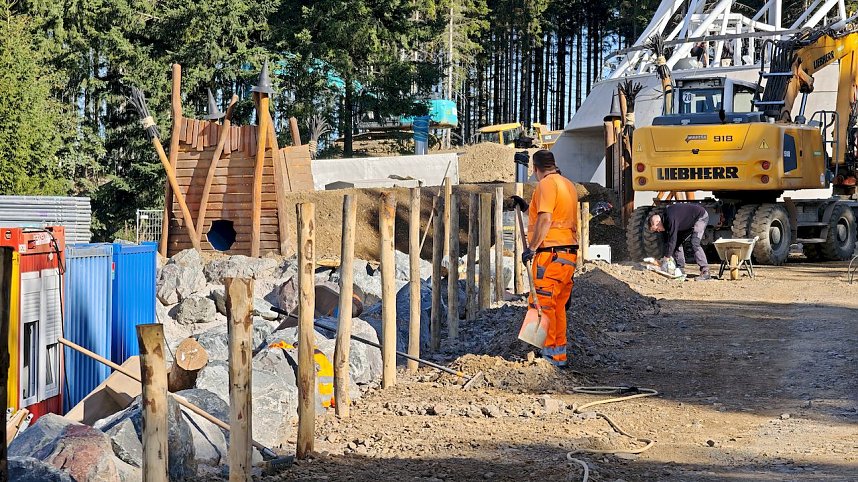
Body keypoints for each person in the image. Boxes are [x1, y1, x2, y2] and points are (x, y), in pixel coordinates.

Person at [511, 150, 578, 367]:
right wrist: (526, 207)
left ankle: (549, 357)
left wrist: (532, 247)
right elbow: (554, 213)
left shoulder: (547, 184)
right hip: (567, 255)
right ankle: (558, 356)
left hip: (550, 254)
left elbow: (546, 218)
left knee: (544, 304)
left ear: (535, 168)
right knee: (558, 306)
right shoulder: (567, 184)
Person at [648, 203, 711, 280]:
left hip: (700, 216)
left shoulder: (670, 218)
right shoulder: (665, 221)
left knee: (695, 242)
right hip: (688, 221)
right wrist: (665, 257)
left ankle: (705, 271)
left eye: (656, 228)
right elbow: (669, 243)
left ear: (657, 221)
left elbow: (672, 240)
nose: (658, 231)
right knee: (677, 243)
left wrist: (667, 257)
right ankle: (680, 269)